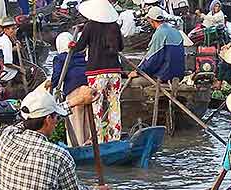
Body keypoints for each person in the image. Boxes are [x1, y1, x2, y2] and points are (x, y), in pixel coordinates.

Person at [72, 0, 124, 143]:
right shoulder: (114, 26)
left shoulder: (90, 26)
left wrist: (72, 45)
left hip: (96, 72)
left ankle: (99, 140)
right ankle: (115, 138)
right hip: (114, 71)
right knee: (114, 105)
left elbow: (79, 47)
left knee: (97, 106)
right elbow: (121, 47)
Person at [51, 32, 90, 146]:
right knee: (87, 119)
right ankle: (89, 143)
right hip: (88, 88)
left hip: (74, 90)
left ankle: (77, 145)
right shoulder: (82, 55)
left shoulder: (60, 58)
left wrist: (52, 85)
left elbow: (57, 76)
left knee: (75, 120)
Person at [128, 7, 186, 82]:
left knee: (135, 82)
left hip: (165, 75)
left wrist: (138, 72)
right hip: (179, 75)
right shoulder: (176, 31)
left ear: (151, 20)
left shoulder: (160, 33)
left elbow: (153, 59)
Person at [0, 18, 20, 83]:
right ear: (5, 30)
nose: (15, 31)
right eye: (13, 29)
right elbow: (7, 63)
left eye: (15, 29)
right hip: (3, 71)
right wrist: (20, 68)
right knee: (20, 71)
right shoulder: (7, 42)